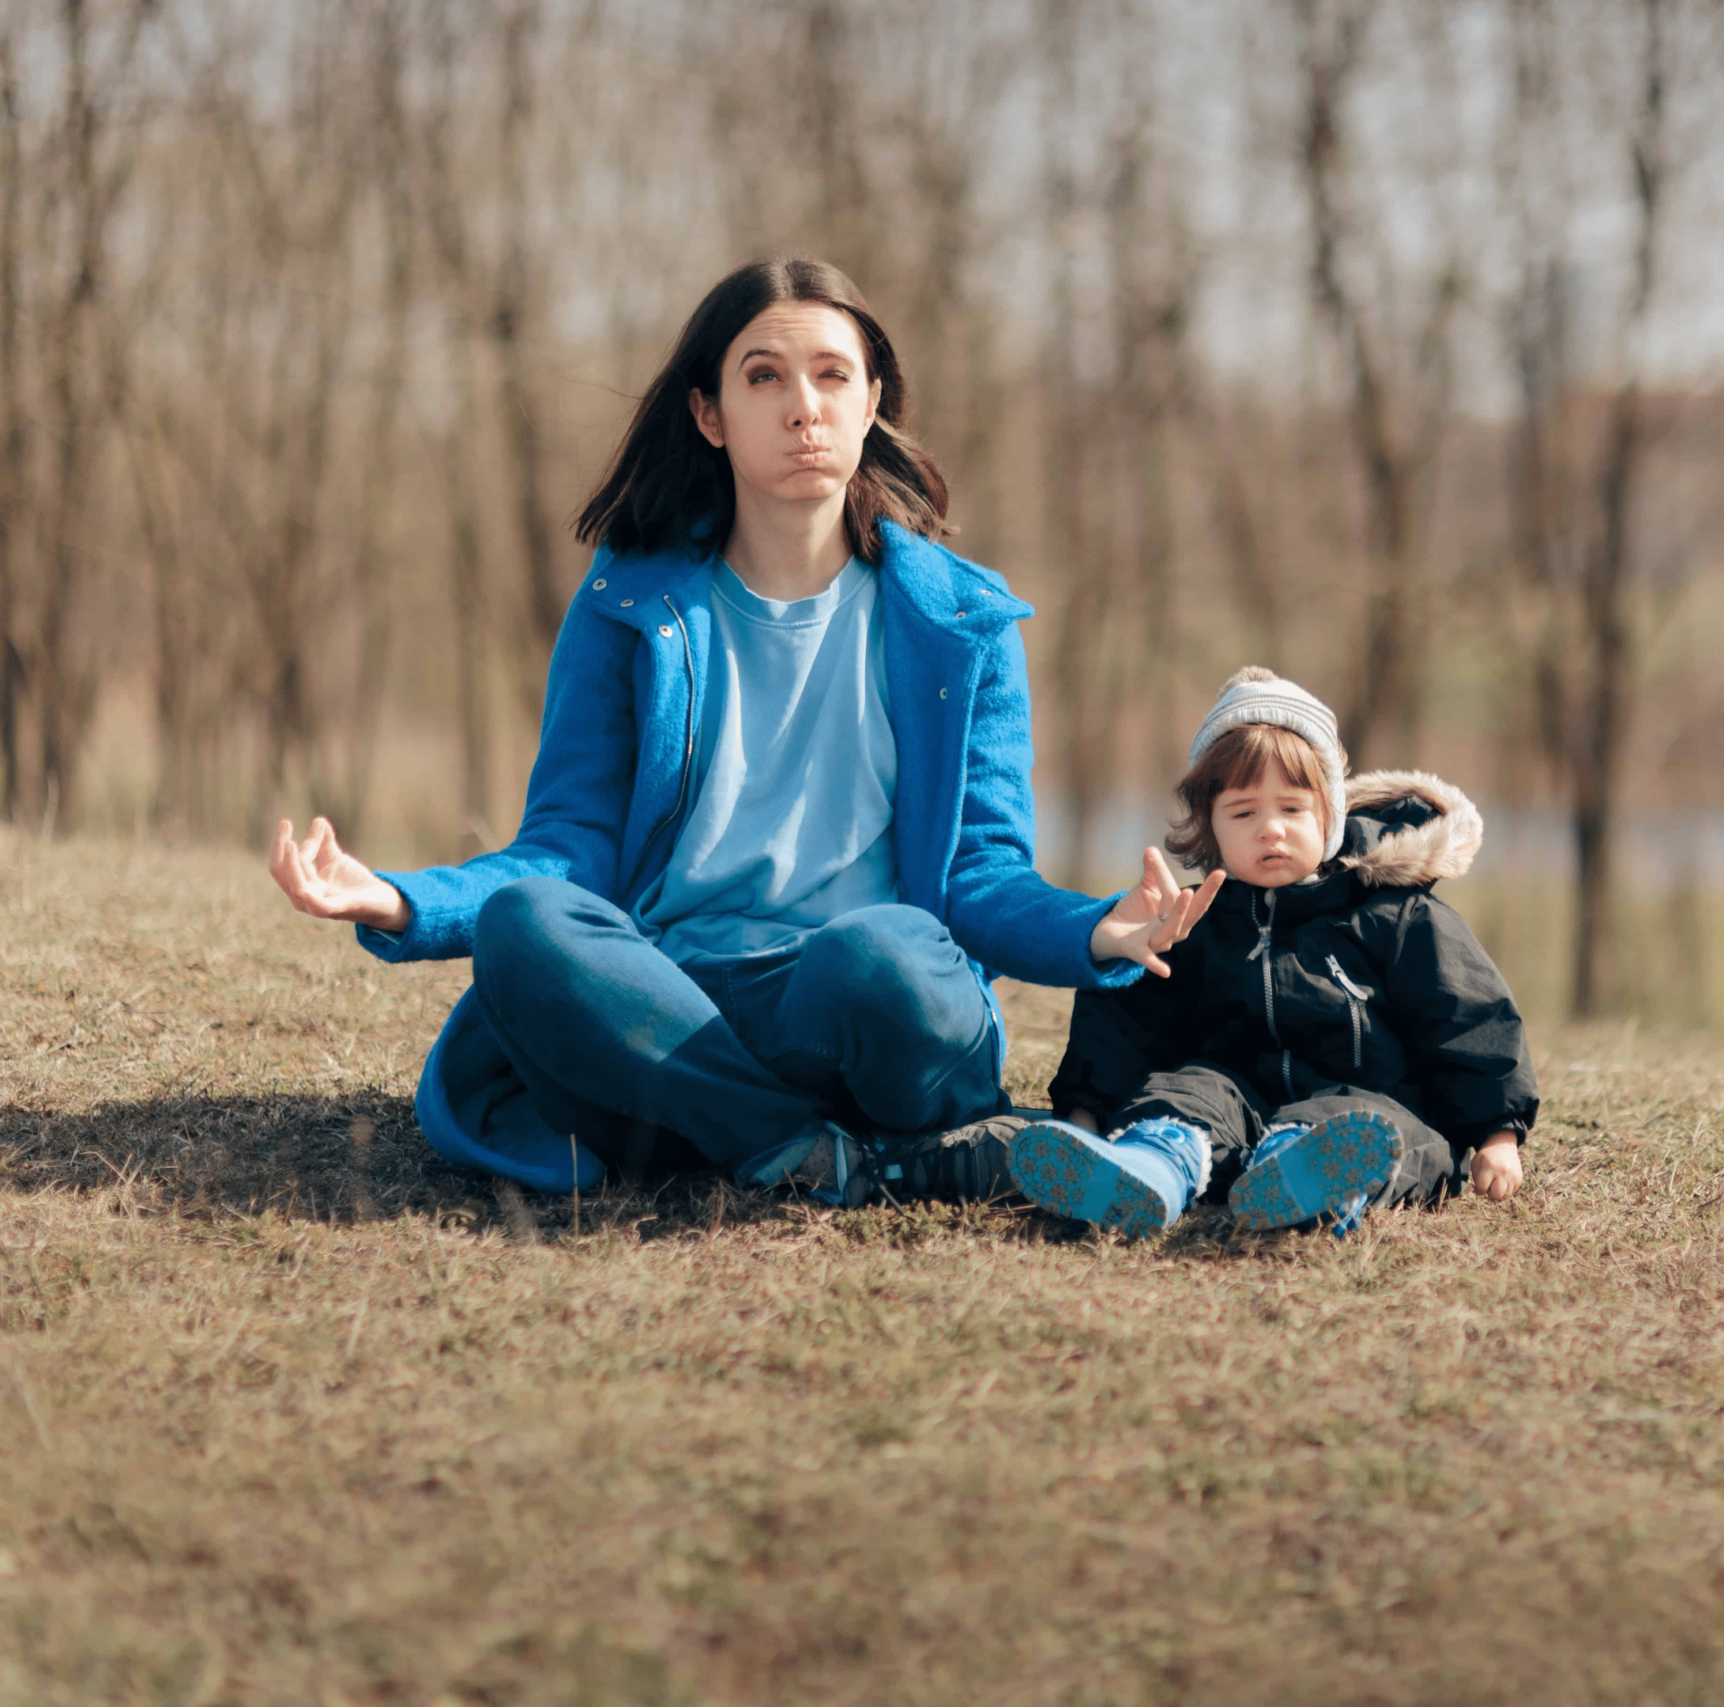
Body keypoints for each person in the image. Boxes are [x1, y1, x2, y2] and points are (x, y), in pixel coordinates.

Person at [269, 257, 1215, 1204]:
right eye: (764, 376)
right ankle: (818, 1152)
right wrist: (400, 900)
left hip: (856, 1010)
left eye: (832, 375)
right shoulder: (627, 607)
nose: (803, 406)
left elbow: (981, 877)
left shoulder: (961, 627)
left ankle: (726, 1134)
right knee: (527, 923)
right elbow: (565, 851)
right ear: (709, 414)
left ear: (871, 398)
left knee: (882, 953)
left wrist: (1096, 929)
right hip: (666, 1008)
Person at [1011, 667, 1537, 1237]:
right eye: (1243, 813)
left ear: (1331, 814)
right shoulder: (1193, 918)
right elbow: (1125, 1021)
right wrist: (1086, 1113)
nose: (1271, 830)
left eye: (1292, 809)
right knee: (1184, 1094)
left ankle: (1308, 1178)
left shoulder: (1395, 914)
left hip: (1373, 1103)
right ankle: (1145, 1171)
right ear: (1209, 824)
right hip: (1232, 1107)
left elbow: (1469, 1020)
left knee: (1372, 1126)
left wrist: (1498, 1136)